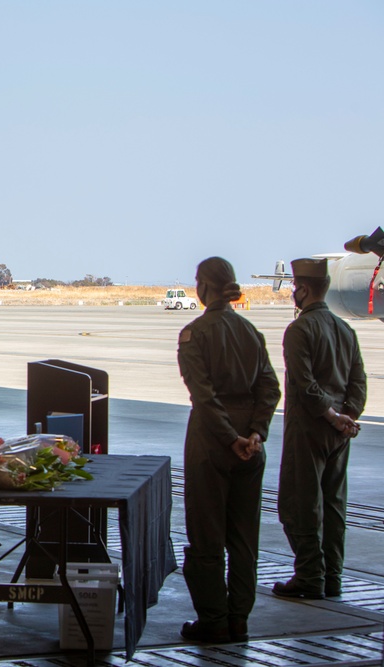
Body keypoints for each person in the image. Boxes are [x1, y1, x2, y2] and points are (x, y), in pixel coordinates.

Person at [176, 257, 280, 644]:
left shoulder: (195, 334)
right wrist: (255, 433)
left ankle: (214, 620)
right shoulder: (251, 331)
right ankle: (239, 619)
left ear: (204, 286)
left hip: (212, 444)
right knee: (243, 538)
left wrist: (228, 437)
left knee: (206, 536)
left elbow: (203, 397)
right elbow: (270, 388)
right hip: (251, 448)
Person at [274, 257, 366, 600]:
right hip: (340, 433)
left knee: (299, 504)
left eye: (295, 288)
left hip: (309, 429)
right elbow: (358, 381)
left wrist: (329, 415)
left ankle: (310, 576)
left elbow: (304, 383)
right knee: (333, 505)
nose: (293, 293)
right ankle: (333, 577)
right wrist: (347, 417)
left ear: (303, 288)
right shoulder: (346, 329)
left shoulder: (299, 330)